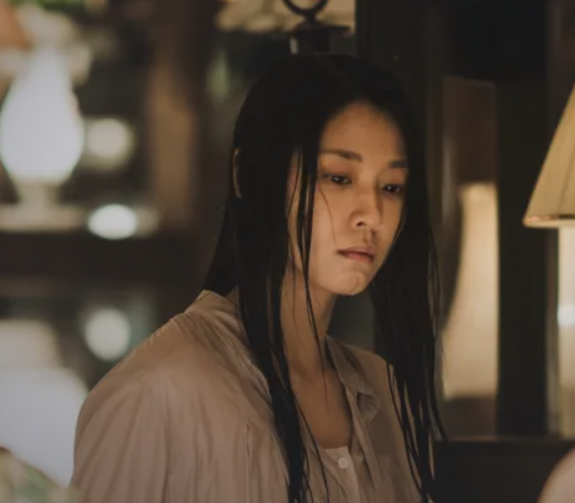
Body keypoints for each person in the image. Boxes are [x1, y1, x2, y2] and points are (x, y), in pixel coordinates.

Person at [69, 53, 445, 503]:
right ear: (249, 176)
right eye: (338, 178)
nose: (373, 215)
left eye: (391, 187)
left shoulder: (386, 396)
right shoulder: (159, 392)